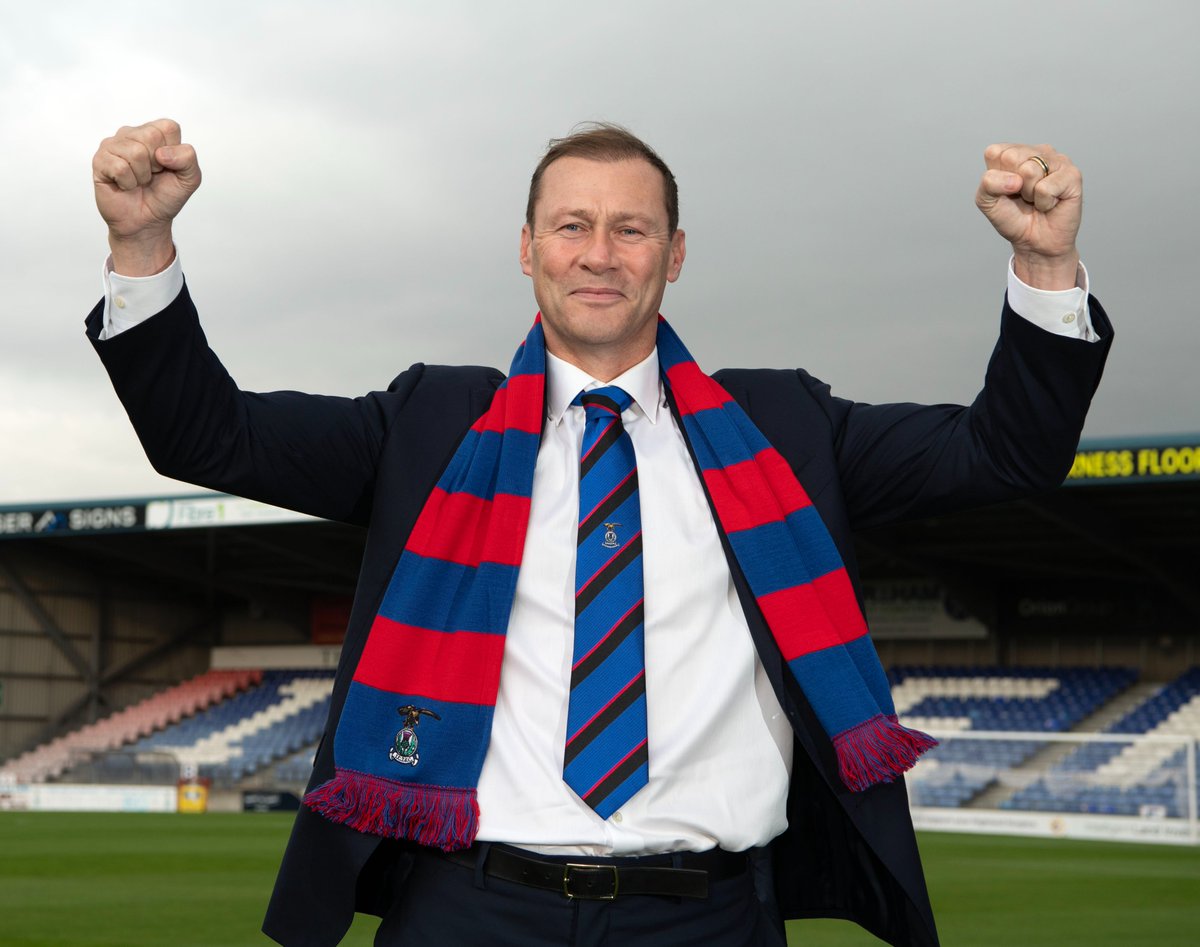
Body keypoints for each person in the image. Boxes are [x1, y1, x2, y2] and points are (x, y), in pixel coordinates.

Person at [88, 119, 1111, 947]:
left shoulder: (787, 428)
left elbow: (1006, 453)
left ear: (675, 254)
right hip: (465, 910)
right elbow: (203, 433)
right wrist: (141, 244)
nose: (600, 253)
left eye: (632, 229)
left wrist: (1045, 262)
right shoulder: (430, 422)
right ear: (528, 249)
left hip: (711, 914)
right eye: (572, 225)